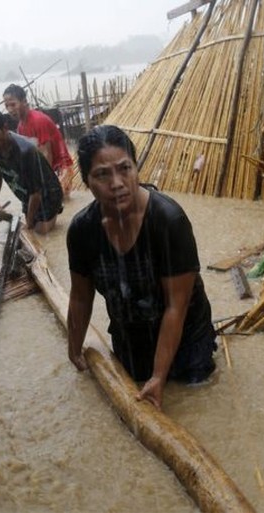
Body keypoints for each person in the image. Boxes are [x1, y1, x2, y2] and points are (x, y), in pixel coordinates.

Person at [66, 125, 217, 410]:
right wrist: (74, 348)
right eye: (102, 174)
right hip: (130, 340)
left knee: (196, 397)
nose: (117, 183)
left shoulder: (169, 221)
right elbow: (80, 296)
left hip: (186, 339)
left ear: (137, 168)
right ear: (86, 182)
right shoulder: (82, 231)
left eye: (125, 168)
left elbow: (177, 306)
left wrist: (159, 376)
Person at [0, 108, 63, 234]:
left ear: (4, 128)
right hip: (26, 194)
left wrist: (29, 225)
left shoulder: (25, 151)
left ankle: (55, 210)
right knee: (25, 229)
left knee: (39, 233)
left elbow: (36, 193)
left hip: (48, 194)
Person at [3, 84, 74, 197]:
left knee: (51, 200)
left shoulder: (38, 121)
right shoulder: (21, 126)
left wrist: (44, 184)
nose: (10, 110)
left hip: (60, 169)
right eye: (7, 106)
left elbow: (47, 155)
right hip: (44, 168)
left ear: (24, 101)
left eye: (13, 104)